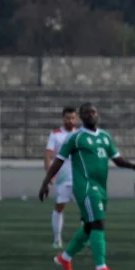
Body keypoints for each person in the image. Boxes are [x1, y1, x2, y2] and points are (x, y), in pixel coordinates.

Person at [38, 103, 135, 270]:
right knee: (98, 223)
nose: (90, 115)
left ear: (98, 114)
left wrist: (133, 166)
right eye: (86, 113)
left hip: (101, 187)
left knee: (89, 226)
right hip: (86, 187)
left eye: (93, 112)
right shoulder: (76, 137)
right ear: (81, 117)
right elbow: (58, 160)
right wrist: (45, 182)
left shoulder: (105, 136)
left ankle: (65, 257)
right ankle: (100, 267)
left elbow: (117, 159)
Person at [44, 106, 79, 248]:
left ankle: (88, 237)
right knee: (60, 206)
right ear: (63, 119)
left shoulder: (80, 134)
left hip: (79, 177)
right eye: (67, 118)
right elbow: (48, 155)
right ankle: (57, 239)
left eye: (72, 118)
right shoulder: (55, 134)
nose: (70, 121)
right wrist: (50, 174)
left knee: (86, 208)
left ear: (76, 119)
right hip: (62, 177)